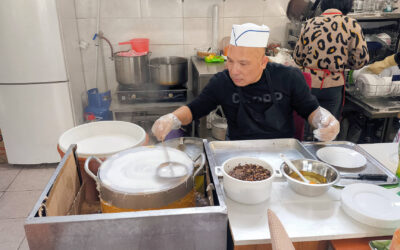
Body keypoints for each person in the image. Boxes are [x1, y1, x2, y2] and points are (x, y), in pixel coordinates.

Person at [152, 23, 339, 142]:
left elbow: (311, 110)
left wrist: (325, 120)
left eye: (243, 63)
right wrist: (172, 118)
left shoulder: (289, 77)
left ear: (263, 62)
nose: (234, 70)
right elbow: (194, 109)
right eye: (230, 60)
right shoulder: (222, 82)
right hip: (237, 151)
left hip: (281, 152)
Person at [293, 0, 369, 119]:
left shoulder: (309, 23)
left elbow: (298, 57)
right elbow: (361, 60)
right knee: (328, 129)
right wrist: (345, 63)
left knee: (307, 127)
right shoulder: (351, 24)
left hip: (309, 84)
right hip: (333, 85)